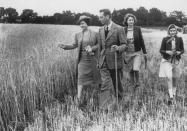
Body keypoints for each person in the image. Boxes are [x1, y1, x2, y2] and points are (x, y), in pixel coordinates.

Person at [58, 15, 101, 107]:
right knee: (80, 77)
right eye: (80, 24)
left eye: (83, 23)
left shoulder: (95, 34)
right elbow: (74, 45)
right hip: (82, 59)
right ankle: (78, 98)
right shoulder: (78, 35)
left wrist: (92, 48)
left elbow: (99, 45)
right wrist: (65, 46)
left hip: (93, 58)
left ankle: (93, 97)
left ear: (87, 24)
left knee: (94, 77)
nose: (81, 25)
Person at [98, 9, 127, 109]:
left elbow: (124, 45)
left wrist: (118, 48)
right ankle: (104, 106)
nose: (99, 19)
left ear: (108, 16)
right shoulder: (100, 29)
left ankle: (120, 101)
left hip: (115, 60)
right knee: (105, 83)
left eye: (101, 17)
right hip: (103, 60)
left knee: (117, 83)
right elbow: (100, 46)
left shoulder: (119, 29)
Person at [159, 24, 184, 105]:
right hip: (167, 60)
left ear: (176, 31)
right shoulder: (165, 39)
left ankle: (173, 92)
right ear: (169, 31)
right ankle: (171, 96)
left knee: (175, 78)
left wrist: (179, 52)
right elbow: (161, 50)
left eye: (174, 30)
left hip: (176, 60)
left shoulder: (179, 39)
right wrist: (167, 52)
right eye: (171, 30)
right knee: (169, 77)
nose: (172, 32)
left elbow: (183, 50)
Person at [123, 13, 147, 88]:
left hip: (137, 52)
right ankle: (132, 83)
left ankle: (137, 82)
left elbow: (141, 40)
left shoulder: (137, 29)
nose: (131, 21)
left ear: (134, 21)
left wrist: (144, 52)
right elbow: (121, 41)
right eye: (129, 20)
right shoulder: (123, 30)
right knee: (130, 69)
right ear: (126, 21)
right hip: (128, 52)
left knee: (135, 68)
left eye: (132, 20)